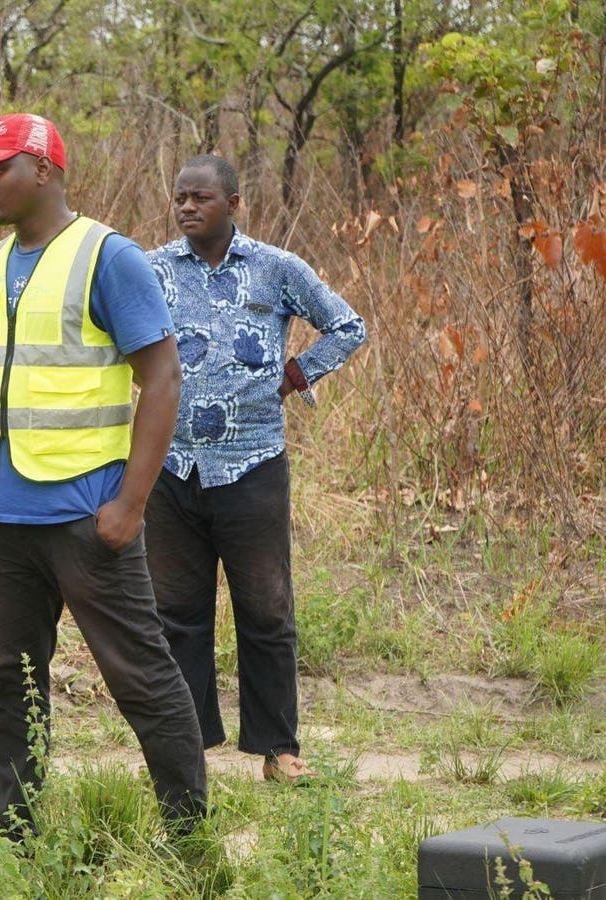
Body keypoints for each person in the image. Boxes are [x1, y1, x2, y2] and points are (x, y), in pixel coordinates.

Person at [0, 114, 208, 841]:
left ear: (45, 172)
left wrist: (129, 505)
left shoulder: (108, 257)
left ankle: (189, 839)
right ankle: (20, 840)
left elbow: (162, 379)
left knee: (142, 678)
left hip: (86, 518)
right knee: (9, 682)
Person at [145, 154, 366, 785]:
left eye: (202, 198)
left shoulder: (276, 269)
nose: (188, 207)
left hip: (253, 464)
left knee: (266, 608)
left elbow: (348, 326)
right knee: (176, 611)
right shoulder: (152, 270)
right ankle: (187, 750)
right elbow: (119, 338)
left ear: (234, 205)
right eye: (180, 197)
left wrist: (294, 376)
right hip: (173, 465)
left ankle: (278, 749)